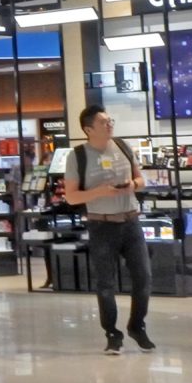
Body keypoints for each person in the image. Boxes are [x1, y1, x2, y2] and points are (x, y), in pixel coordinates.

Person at [65, 106, 153, 355]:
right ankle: (112, 334)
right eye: (103, 122)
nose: (109, 124)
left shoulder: (123, 147)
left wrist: (131, 185)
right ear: (88, 129)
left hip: (131, 221)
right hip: (101, 224)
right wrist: (100, 192)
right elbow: (71, 197)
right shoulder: (78, 156)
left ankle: (137, 326)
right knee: (105, 282)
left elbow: (141, 180)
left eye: (109, 120)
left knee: (143, 277)